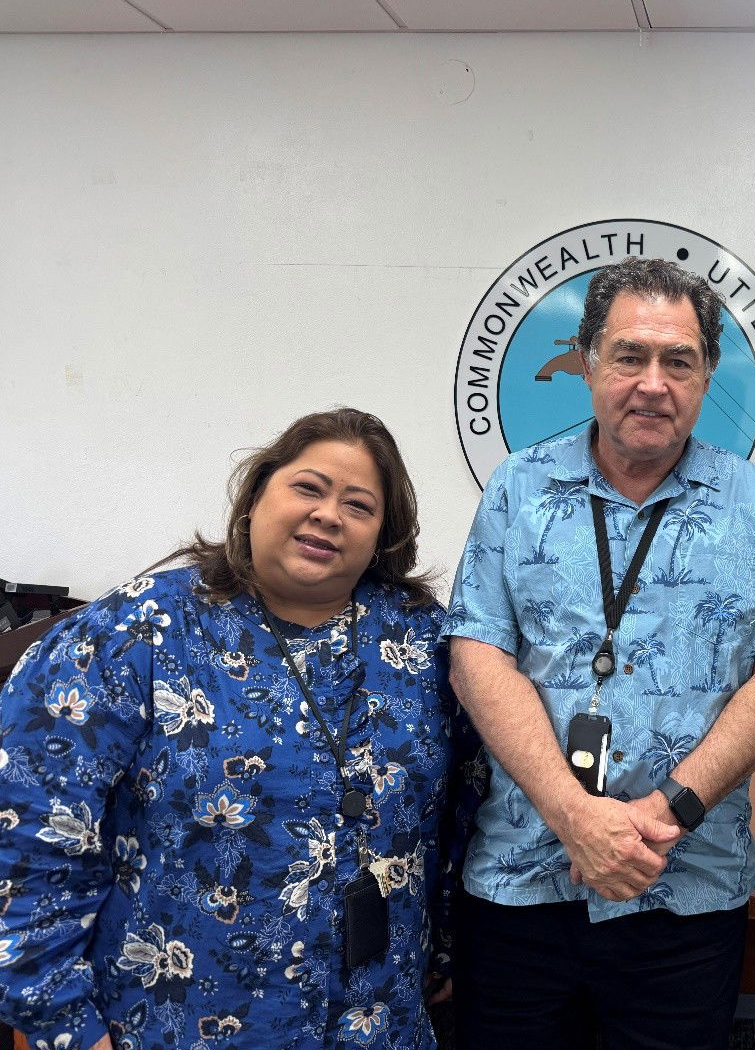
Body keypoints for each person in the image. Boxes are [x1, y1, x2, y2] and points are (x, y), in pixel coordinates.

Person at [0, 408, 477, 1050]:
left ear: (383, 538)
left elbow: (468, 807)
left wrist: (446, 950)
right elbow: (28, 830)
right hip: (167, 1024)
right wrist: (63, 1022)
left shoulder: (428, 646)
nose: (328, 515)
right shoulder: (133, 633)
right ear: (255, 497)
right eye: (308, 488)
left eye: (359, 506)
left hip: (377, 1025)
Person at [444, 255, 755, 1049]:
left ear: (707, 373)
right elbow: (478, 655)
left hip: (686, 884)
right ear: (587, 362)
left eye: (678, 361)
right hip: (523, 882)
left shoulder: (753, 502)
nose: (654, 382)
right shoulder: (517, 487)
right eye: (630, 356)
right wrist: (573, 814)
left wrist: (669, 812)